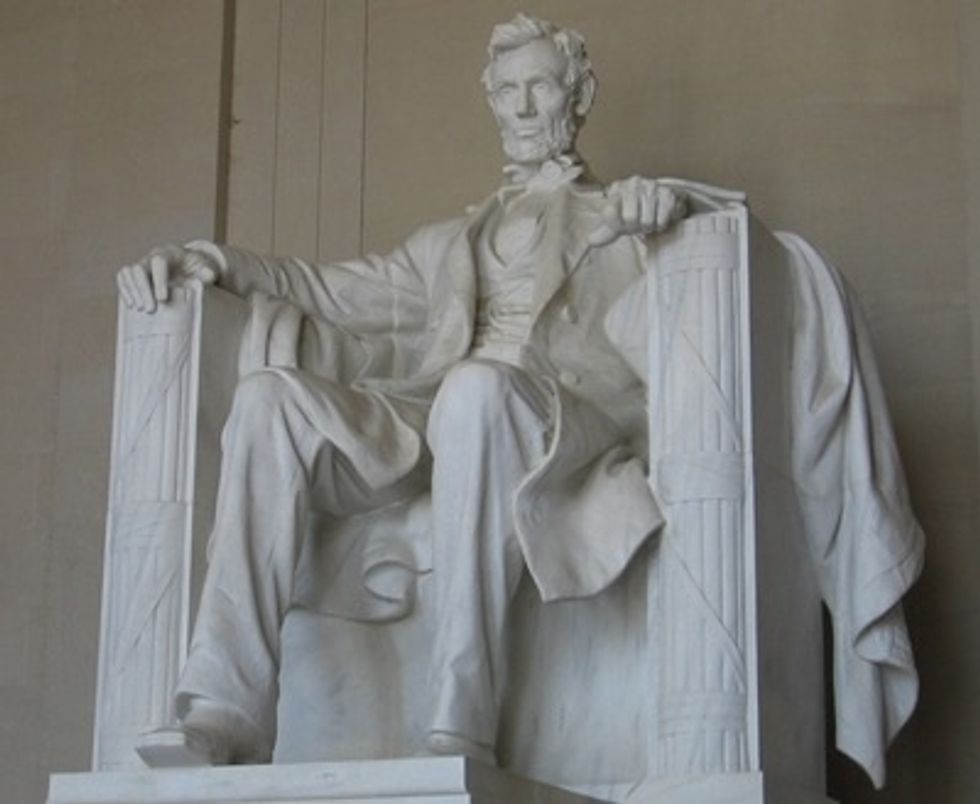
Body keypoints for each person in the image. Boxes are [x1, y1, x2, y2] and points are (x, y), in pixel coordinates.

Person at [118, 13, 685, 767]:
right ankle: (227, 709)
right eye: (506, 90)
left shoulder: (623, 214)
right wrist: (213, 259)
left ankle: (460, 717)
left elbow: (701, 255)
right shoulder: (447, 244)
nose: (520, 108)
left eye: (540, 87)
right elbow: (326, 288)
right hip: (441, 414)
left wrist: (663, 215)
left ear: (576, 98)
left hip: (561, 420)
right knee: (269, 399)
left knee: (478, 393)